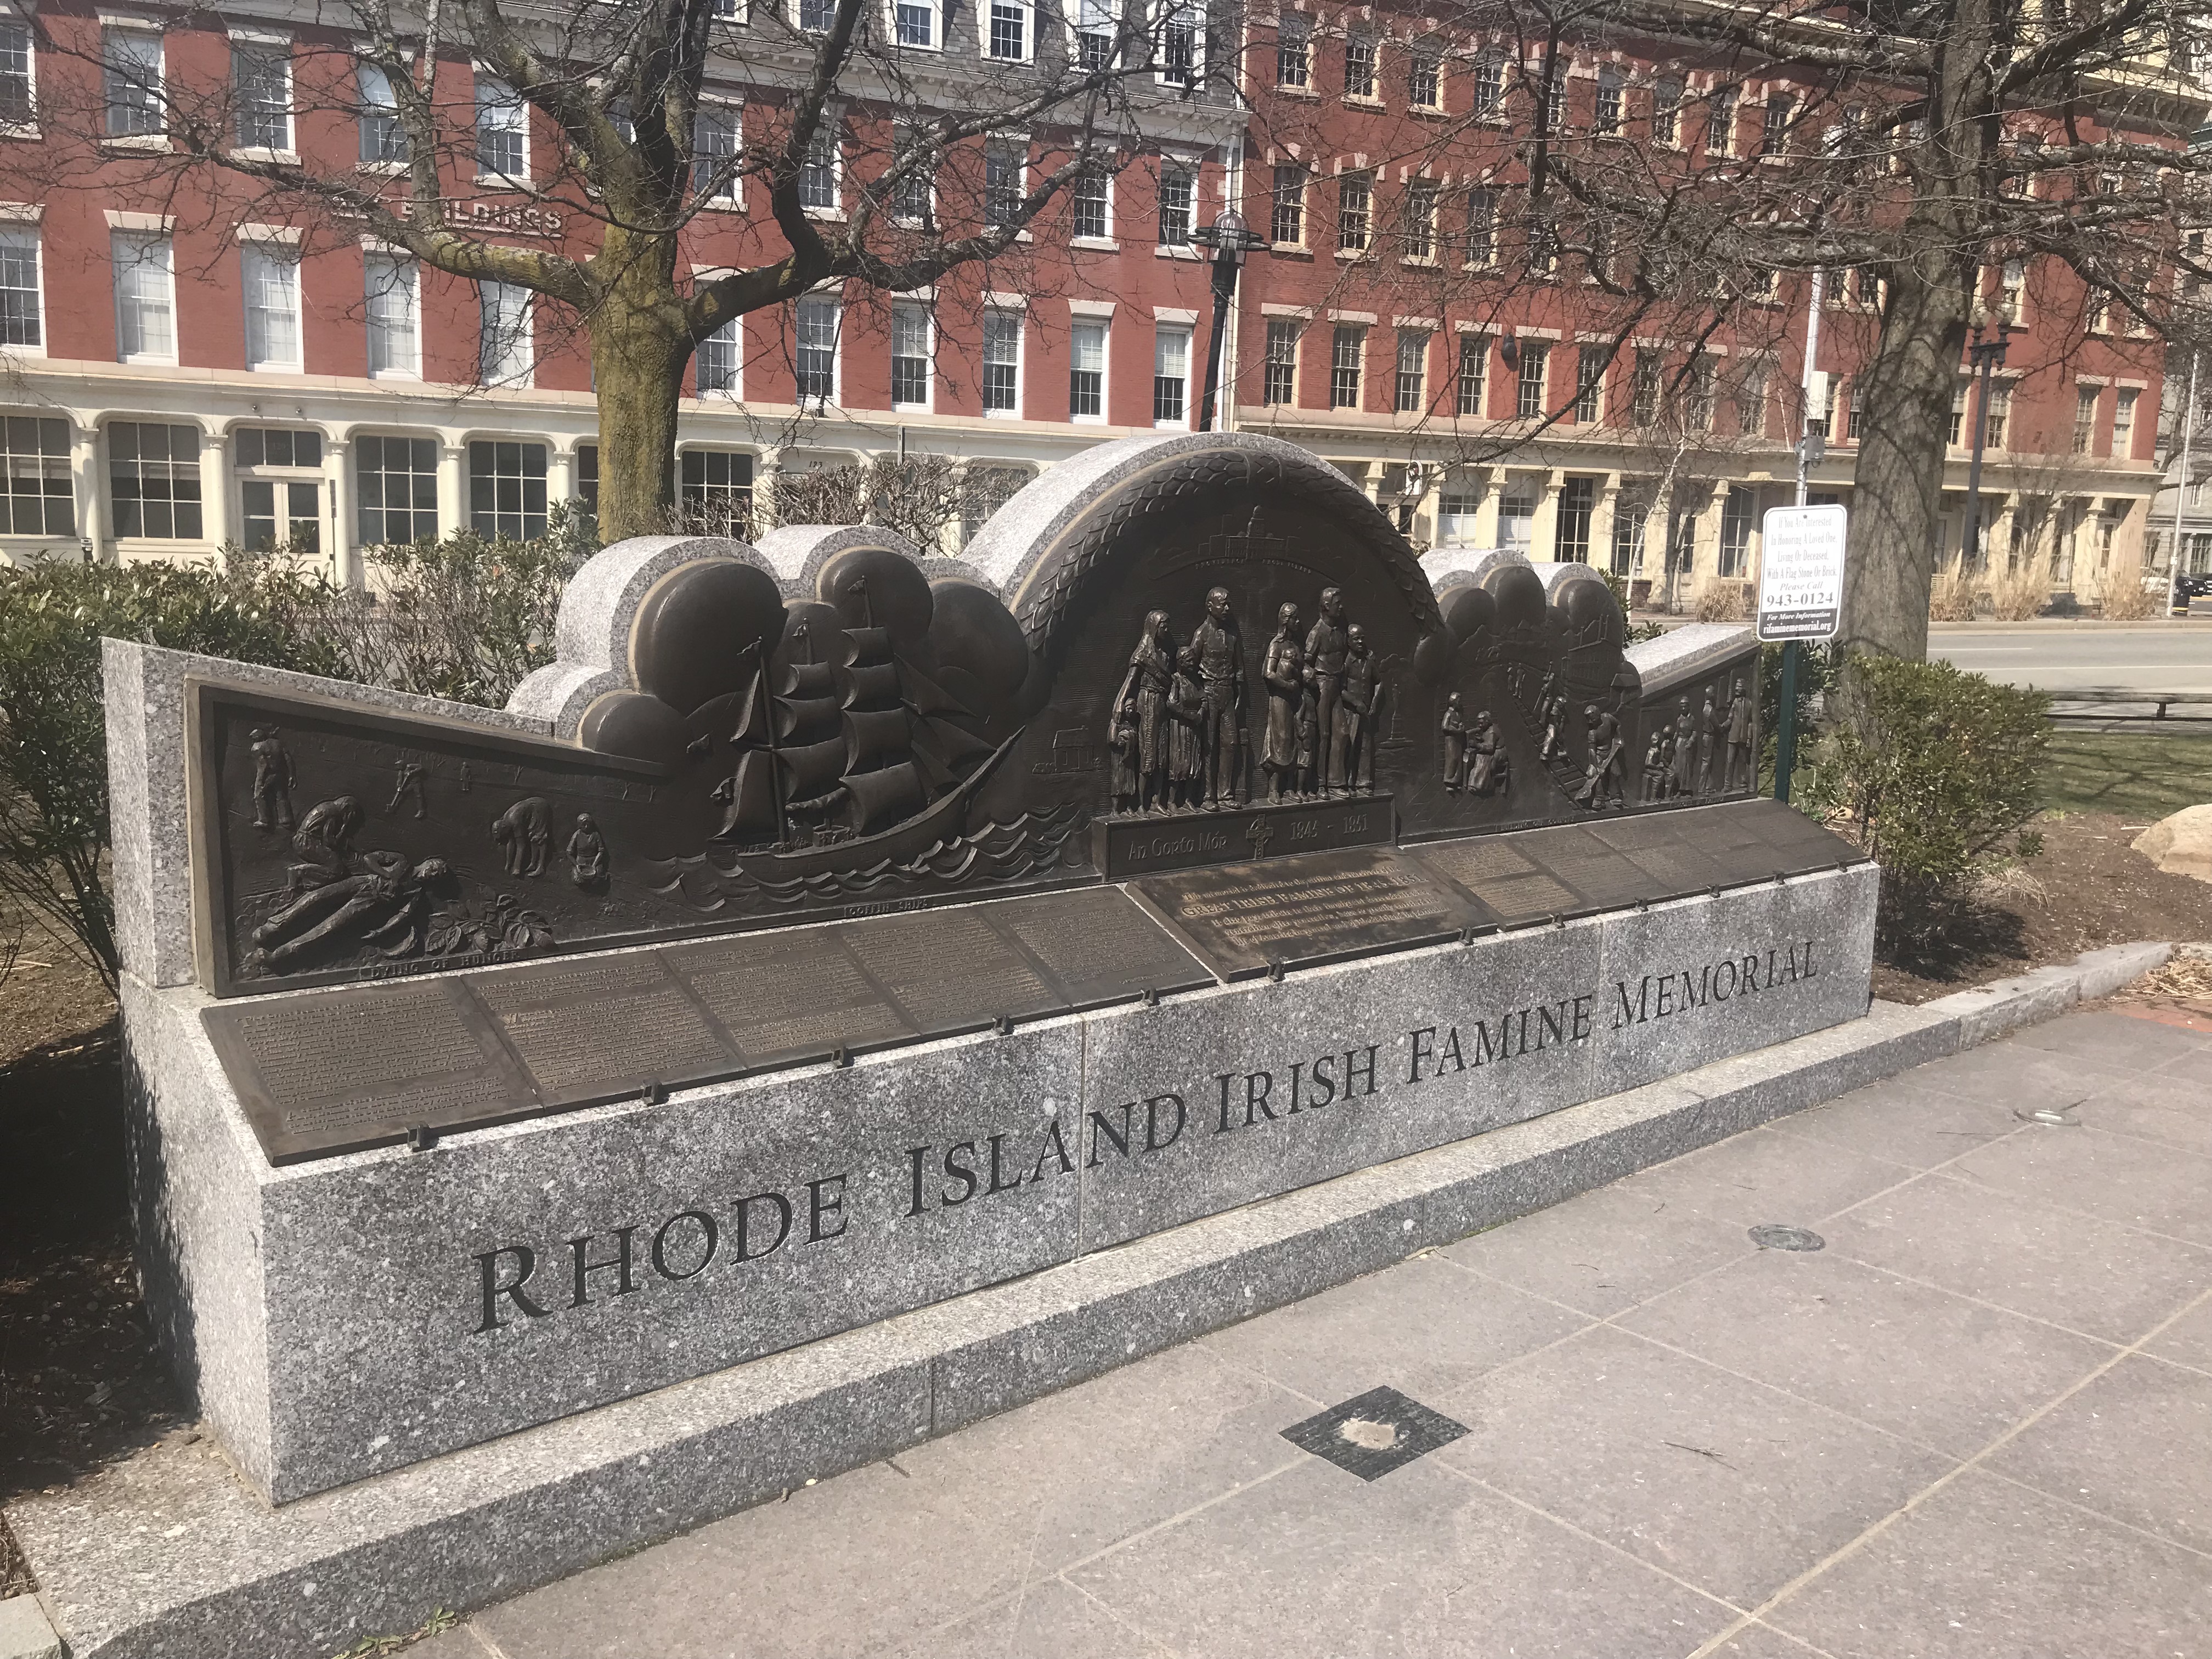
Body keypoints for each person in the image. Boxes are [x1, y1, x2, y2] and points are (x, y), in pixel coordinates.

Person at [1110, 610, 1176, 813]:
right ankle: (1140, 803)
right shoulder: (1143, 653)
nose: (1167, 630)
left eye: (1168, 626)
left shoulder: (1166, 653)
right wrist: (1119, 703)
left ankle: (1157, 802)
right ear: (1154, 628)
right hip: (1147, 702)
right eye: (1163, 626)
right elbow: (1130, 680)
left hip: (1162, 703)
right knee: (1149, 754)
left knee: (1162, 755)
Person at [1190, 586, 1245, 810]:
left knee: (1231, 743)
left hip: (1228, 693)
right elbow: (1190, 667)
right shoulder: (1201, 634)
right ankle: (1207, 796)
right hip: (1209, 692)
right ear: (1210, 606)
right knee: (1210, 745)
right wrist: (1199, 695)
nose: (1227, 608)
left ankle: (1225, 794)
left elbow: (1239, 668)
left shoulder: (1232, 636)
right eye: (1223, 604)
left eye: (1229, 604)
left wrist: (1239, 695)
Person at [1304, 587, 1350, 794]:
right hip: (1322, 686)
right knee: (1323, 735)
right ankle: (1320, 784)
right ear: (1326, 606)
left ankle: (1336, 782)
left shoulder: (1340, 632)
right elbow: (1306, 663)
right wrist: (1310, 677)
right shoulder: (1317, 632)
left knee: (1342, 732)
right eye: (1337, 603)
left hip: (1336, 686)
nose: (1341, 607)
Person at [1260, 602, 1305, 803]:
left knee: (1294, 739)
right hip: (1280, 699)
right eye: (1295, 618)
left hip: (1295, 699)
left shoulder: (1296, 646)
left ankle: (1288, 788)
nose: (1298, 622)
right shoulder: (1276, 645)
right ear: (1286, 621)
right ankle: (1273, 789)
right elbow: (1268, 673)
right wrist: (1287, 686)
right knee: (1281, 739)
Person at [1339, 624, 1381, 794]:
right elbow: (1340, 689)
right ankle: (1347, 783)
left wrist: (1375, 702)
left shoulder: (1369, 662)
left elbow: (1378, 682)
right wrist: (1356, 702)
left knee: (1365, 747)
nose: (1360, 642)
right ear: (1349, 641)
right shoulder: (1346, 663)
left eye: (1362, 638)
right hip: (1350, 712)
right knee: (1349, 746)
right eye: (1356, 639)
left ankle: (1364, 783)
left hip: (1367, 713)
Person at [1166, 644, 1206, 811]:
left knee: (1193, 764)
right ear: (1181, 662)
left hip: (1194, 727)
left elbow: (1204, 699)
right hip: (1180, 726)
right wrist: (1188, 715)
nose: (1192, 664)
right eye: (1189, 661)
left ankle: (1188, 799)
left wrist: (1201, 714)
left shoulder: (1195, 680)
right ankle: (1172, 800)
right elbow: (1171, 704)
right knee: (1179, 763)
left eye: (1193, 661)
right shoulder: (1175, 680)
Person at [249, 727, 294, 832]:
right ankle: (286, 820)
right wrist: (292, 775)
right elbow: (288, 759)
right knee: (281, 796)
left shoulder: (257, 747)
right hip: (280, 774)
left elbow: (263, 765)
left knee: (259, 795)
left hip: (267, 775)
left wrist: (260, 782)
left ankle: (264, 820)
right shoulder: (278, 743)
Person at [1108, 697, 1140, 815]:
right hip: (1119, 758)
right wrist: (1119, 741)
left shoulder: (1132, 725)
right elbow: (1111, 739)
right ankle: (1115, 809)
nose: (1131, 711)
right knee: (1118, 783)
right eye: (1129, 708)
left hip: (1129, 757)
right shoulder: (1116, 723)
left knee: (1129, 783)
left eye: (1133, 709)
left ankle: (1128, 807)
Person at [1726, 676, 1756, 791]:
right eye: (1736, 687)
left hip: (1743, 737)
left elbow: (1750, 722)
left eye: (1739, 687)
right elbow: (1730, 718)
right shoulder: (1734, 703)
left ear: (1744, 688)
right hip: (1733, 736)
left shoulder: (1749, 703)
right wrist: (1722, 726)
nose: (1736, 689)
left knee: (1743, 761)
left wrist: (1749, 737)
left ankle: (1743, 783)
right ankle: (1728, 784)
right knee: (1730, 761)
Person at [1465, 709, 1503, 796]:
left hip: (1498, 752)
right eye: (1479, 723)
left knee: (1483, 757)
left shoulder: (1492, 731)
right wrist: (1481, 740)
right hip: (1492, 749)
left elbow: (1490, 748)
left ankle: (1480, 785)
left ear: (1487, 722)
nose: (1480, 725)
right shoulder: (1487, 728)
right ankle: (1474, 783)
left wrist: (1477, 745)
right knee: (1478, 756)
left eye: (1482, 723)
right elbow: (1487, 741)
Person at [567, 813, 607, 885]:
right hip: (581, 861)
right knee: (577, 879)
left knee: (599, 877)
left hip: (594, 860)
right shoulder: (577, 834)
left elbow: (601, 850)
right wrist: (577, 865)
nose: (586, 827)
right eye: (584, 825)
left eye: (588, 824)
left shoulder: (596, 835)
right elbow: (569, 852)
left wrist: (594, 865)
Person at [1440, 692, 1468, 791]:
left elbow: (1460, 724)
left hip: (1458, 740)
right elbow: (1445, 727)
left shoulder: (1457, 714)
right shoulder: (1449, 713)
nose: (1459, 703)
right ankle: (1449, 781)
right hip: (1451, 740)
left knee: (1459, 759)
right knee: (1452, 758)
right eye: (1458, 701)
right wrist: (1456, 730)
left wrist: (1461, 727)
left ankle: (1456, 781)